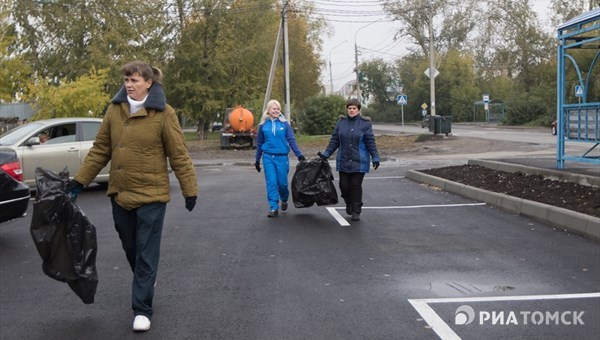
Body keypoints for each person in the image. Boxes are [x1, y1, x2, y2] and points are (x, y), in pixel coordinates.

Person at [68, 61, 198, 332]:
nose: (129, 84)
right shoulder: (115, 110)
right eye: (127, 79)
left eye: (135, 79)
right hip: (121, 194)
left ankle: (142, 309)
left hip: (152, 196)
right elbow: (101, 149)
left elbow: (179, 154)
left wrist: (189, 189)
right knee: (131, 248)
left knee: (146, 253)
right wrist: (80, 181)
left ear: (149, 83)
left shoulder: (164, 113)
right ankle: (146, 280)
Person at [318, 98, 380, 222]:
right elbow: (335, 140)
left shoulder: (365, 124)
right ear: (347, 109)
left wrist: (375, 156)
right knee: (344, 186)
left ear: (358, 110)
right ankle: (348, 202)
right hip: (344, 160)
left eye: (354, 108)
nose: (351, 110)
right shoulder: (341, 123)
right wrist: (327, 153)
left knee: (355, 185)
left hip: (360, 160)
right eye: (350, 108)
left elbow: (370, 142)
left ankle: (356, 210)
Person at [255, 99, 305, 217]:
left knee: (282, 183)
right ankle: (273, 207)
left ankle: (284, 199)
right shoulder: (263, 125)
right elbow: (259, 143)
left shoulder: (284, 124)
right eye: (274, 108)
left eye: (278, 109)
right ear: (268, 110)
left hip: (282, 158)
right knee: (271, 182)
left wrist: (299, 155)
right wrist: (257, 160)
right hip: (268, 158)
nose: (276, 110)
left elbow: (291, 140)